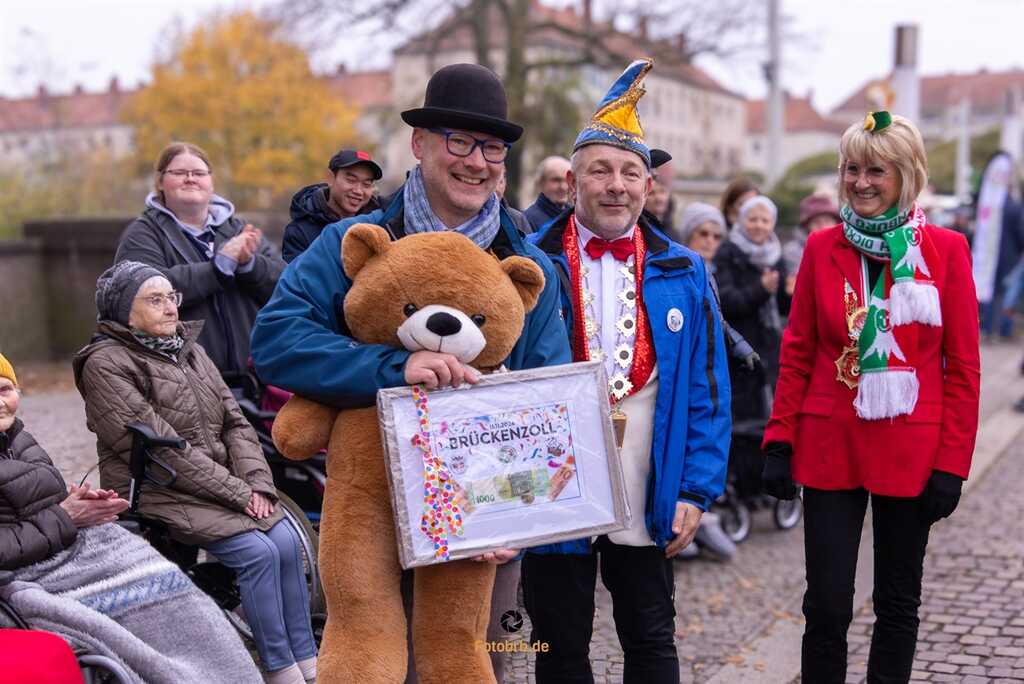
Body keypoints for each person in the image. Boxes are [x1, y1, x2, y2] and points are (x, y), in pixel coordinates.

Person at [250, 62, 572, 683]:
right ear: (420, 144)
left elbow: (548, 396)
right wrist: (395, 366)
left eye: (492, 148)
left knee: (475, 659)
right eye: (459, 141)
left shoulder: (526, 266)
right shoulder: (352, 241)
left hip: (482, 509)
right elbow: (278, 340)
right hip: (369, 501)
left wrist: (525, 515)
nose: (476, 161)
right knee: (369, 654)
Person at [523, 59, 731, 683]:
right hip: (555, 478)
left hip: (649, 476)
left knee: (650, 635)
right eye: (600, 171)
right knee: (556, 645)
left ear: (647, 185)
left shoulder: (685, 270)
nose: (616, 185)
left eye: (630, 173)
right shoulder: (526, 266)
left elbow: (707, 387)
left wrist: (696, 490)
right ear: (572, 182)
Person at [760, 111, 981, 682]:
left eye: (875, 170)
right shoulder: (820, 246)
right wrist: (780, 438)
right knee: (827, 605)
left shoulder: (949, 250)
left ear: (906, 175)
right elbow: (799, 349)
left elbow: (963, 368)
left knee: (897, 604)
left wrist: (952, 464)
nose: (859, 182)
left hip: (912, 451)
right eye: (851, 169)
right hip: (830, 444)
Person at [73, 262, 317, 684]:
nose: (170, 308)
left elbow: (235, 423)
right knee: (259, 552)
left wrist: (257, 484)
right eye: (155, 299)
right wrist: (238, 493)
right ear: (123, 312)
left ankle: (307, 657)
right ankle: (279, 666)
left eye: (172, 297)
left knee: (284, 540)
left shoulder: (189, 349)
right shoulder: (106, 363)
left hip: (221, 485)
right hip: (158, 486)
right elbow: (163, 451)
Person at [0, 352, 262, 684]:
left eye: (5, 390)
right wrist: (66, 515)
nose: (1, 402)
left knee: (182, 596)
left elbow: (35, 500)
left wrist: (79, 501)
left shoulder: (18, 437)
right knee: (136, 629)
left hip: (68, 542)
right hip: (28, 572)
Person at [114, 142, 285, 378]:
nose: (190, 179)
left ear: (211, 183)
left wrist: (249, 266)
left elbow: (286, 287)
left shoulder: (238, 228)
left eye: (198, 173)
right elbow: (139, 296)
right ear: (161, 182)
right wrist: (217, 269)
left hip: (257, 377)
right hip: (183, 379)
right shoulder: (142, 234)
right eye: (179, 173)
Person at [282, 149, 384, 263]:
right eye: (351, 180)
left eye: (366, 184)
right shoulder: (300, 232)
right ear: (330, 178)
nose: (358, 191)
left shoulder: (379, 226)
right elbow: (296, 278)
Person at [783, 192, 841, 276]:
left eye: (827, 221)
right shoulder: (793, 252)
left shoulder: (845, 248)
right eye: (817, 222)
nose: (823, 227)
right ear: (806, 227)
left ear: (836, 223)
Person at [523, 155, 571, 231]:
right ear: (540, 183)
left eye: (567, 180)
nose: (563, 187)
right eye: (556, 180)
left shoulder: (575, 218)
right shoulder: (527, 220)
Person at [646, 148, 676, 230]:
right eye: (651, 193)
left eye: (662, 192)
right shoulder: (638, 233)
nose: (658, 198)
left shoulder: (675, 234)